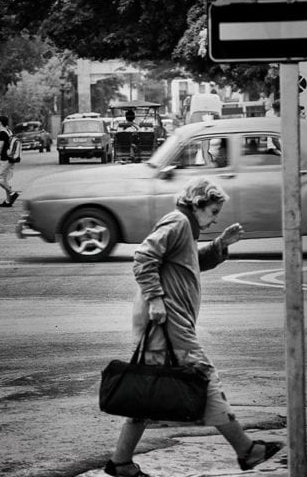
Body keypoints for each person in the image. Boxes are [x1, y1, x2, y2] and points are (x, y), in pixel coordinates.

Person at [104, 177, 282, 477]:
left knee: (149, 389)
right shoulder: (178, 222)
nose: (214, 218)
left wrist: (219, 245)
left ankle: (121, 463)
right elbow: (143, 257)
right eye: (213, 211)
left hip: (170, 320)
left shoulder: (185, 225)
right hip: (167, 320)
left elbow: (188, 263)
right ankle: (246, 450)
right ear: (198, 203)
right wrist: (157, 299)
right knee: (204, 376)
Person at [0, 115, 19, 208]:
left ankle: (12, 193)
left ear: (0, 122)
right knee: (4, 179)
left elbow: (0, 147)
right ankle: (8, 201)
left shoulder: (2, 132)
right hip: (11, 158)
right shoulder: (8, 131)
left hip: (5, 158)